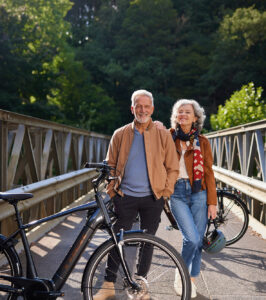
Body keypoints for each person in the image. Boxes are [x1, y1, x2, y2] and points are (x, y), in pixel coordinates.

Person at [94, 89, 179, 300]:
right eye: (138, 106)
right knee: (117, 240)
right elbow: (110, 165)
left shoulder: (162, 133)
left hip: (153, 197)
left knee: (148, 241)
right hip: (126, 196)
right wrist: (113, 192)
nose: (142, 110)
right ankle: (107, 285)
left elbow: (173, 166)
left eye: (146, 106)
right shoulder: (120, 134)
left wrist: (164, 192)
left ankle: (141, 285)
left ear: (152, 109)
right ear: (132, 108)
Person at [168, 99, 217, 298]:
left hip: (199, 193)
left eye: (187, 112)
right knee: (193, 238)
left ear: (195, 117)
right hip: (177, 193)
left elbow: (209, 173)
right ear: (176, 117)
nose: (183, 115)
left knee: (196, 242)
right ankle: (181, 271)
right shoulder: (168, 137)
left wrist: (212, 202)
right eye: (180, 112)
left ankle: (190, 279)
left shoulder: (202, 142)